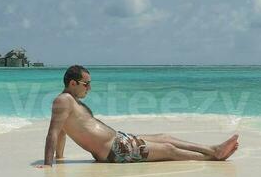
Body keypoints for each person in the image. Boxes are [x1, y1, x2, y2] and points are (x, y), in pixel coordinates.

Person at [38, 65, 239, 167]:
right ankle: (213, 156)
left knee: (165, 137)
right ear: (72, 83)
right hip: (115, 151)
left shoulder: (71, 102)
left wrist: (60, 158)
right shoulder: (63, 101)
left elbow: (63, 132)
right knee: (168, 149)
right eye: (86, 84)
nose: (89, 88)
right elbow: (53, 133)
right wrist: (49, 164)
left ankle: (212, 149)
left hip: (119, 141)